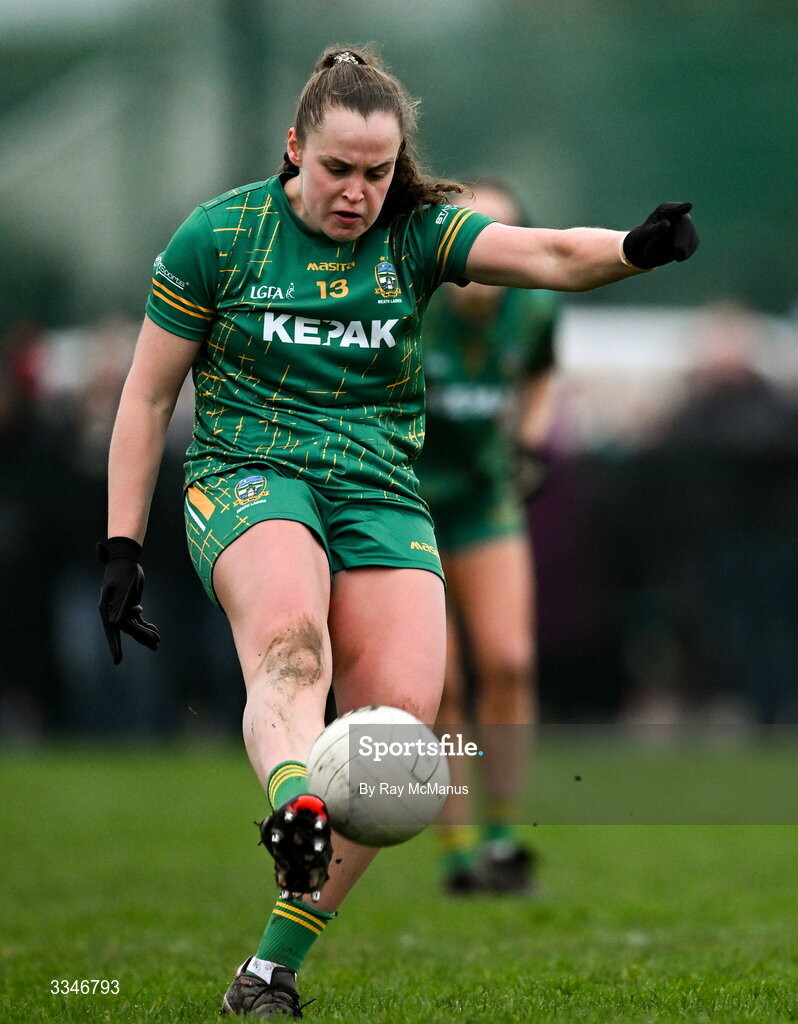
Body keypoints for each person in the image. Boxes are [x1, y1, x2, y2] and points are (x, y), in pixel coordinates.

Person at [98, 44, 699, 1019]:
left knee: (399, 746)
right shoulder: (220, 237)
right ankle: (295, 793)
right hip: (252, 477)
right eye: (338, 168)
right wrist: (121, 544)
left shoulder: (416, 234)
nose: (358, 192)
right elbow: (146, 393)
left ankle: (268, 970)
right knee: (291, 645)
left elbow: (544, 255)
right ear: (295, 148)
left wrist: (636, 248)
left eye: (377, 172)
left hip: (379, 490)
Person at [413, 178, 558, 895]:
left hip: (483, 500)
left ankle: (503, 835)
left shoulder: (534, 308)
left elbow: (542, 375)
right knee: (441, 684)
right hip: (404, 505)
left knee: (508, 662)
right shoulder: (412, 301)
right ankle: (458, 845)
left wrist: (530, 440)